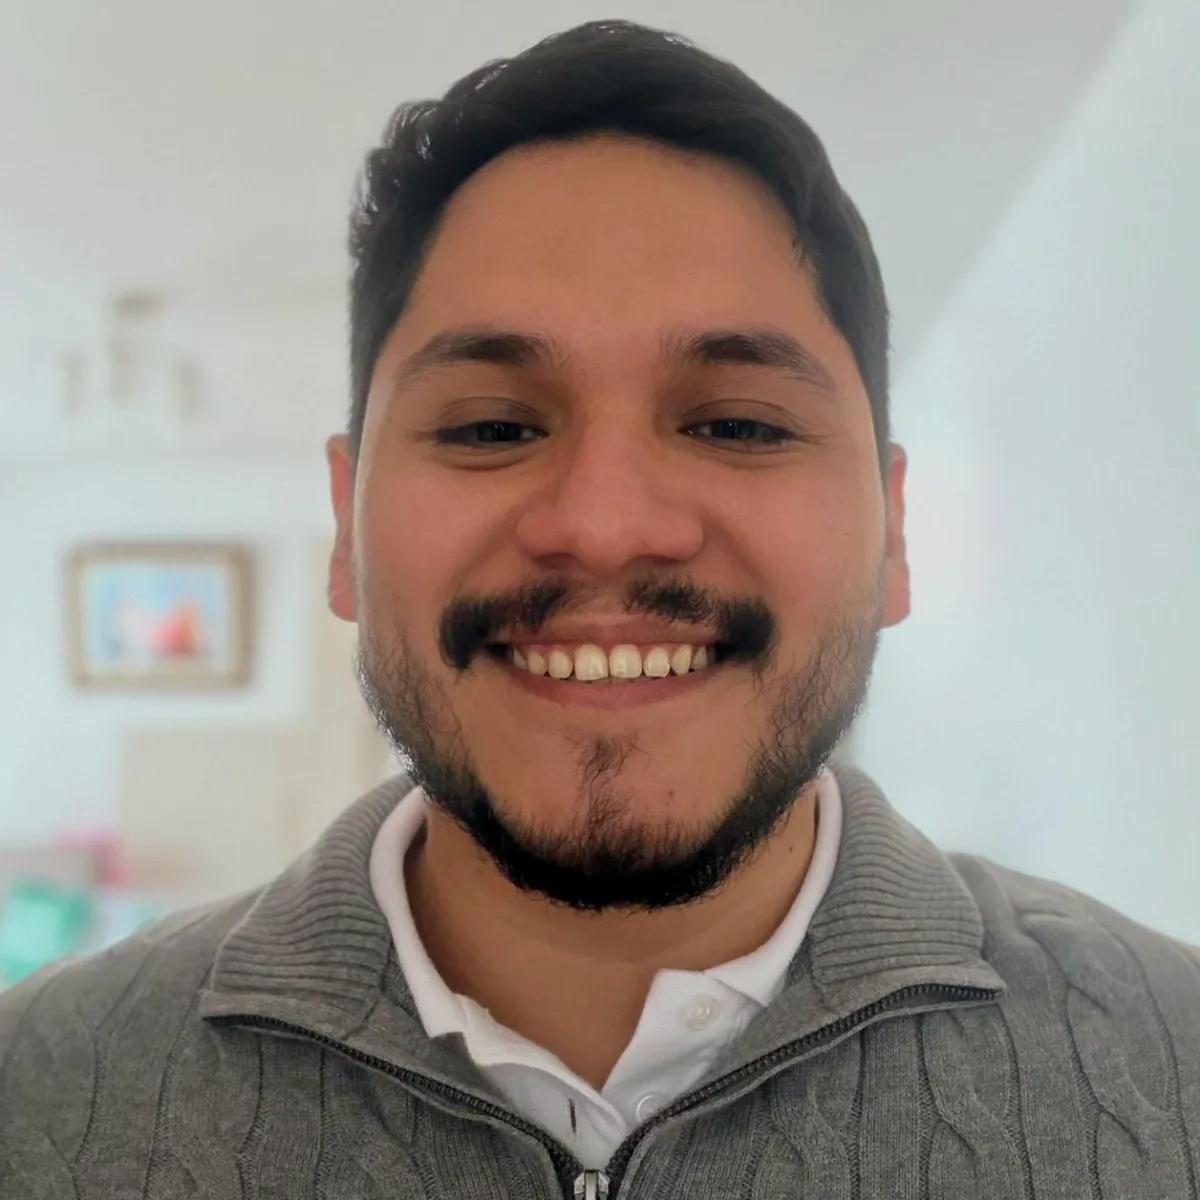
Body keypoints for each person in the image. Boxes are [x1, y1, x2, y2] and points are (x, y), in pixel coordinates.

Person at [2, 20, 1197, 1200]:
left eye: (736, 424)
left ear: (890, 531)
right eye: (490, 427)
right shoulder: (36, 1098)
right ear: (346, 526)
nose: (607, 523)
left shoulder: (1175, 1077)